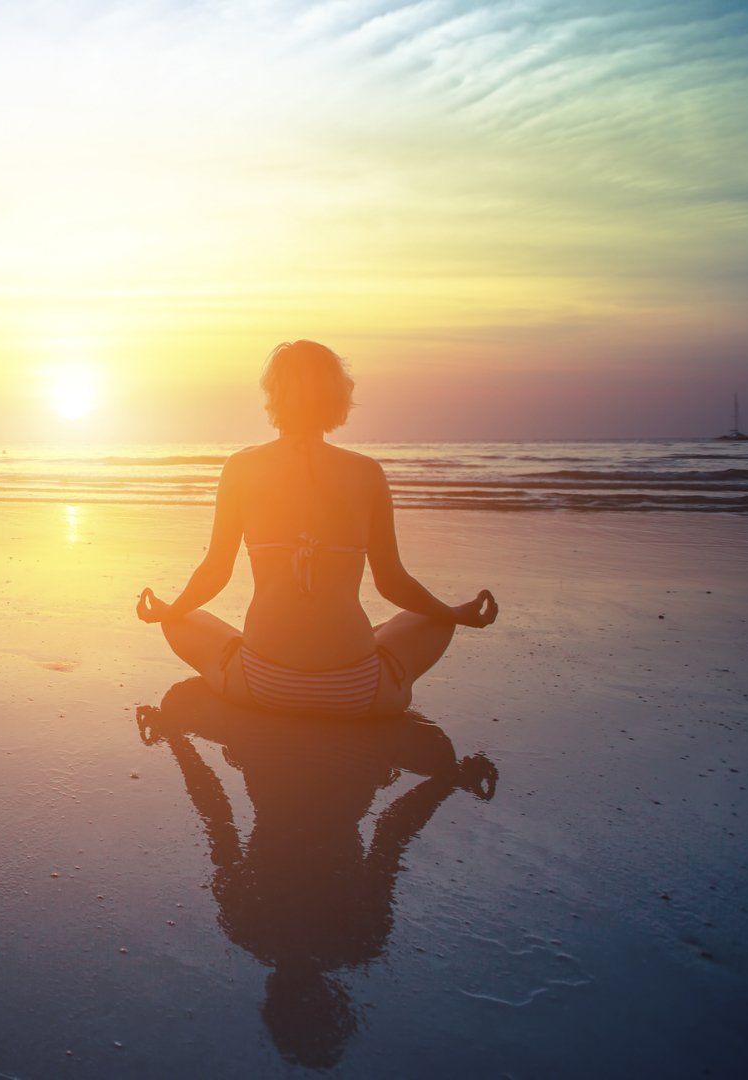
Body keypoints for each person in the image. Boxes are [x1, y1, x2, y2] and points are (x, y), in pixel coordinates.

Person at [135, 677, 497, 1066]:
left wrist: (447, 778)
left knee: (438, 755)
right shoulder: (247, 927)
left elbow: (391, 833)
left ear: (331, 999)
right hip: (273, 739)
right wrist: (176, 734)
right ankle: (327, 685)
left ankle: (329, 689)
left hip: (342, 744)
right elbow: (217, 814)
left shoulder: (360, 940)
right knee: (179, 702)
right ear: (274, 994)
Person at [135, 340, 497, 716]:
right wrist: (456, 614)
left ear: (274, 396)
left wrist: (169, 611)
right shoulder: (366, 472)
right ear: (337, 396)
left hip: (261, 684)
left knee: (182, 619)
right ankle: (372, 648)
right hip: (358, 691)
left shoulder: (240, 468)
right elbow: (392, 583)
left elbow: (215, 572)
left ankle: (234, 645)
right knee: (434, 620)